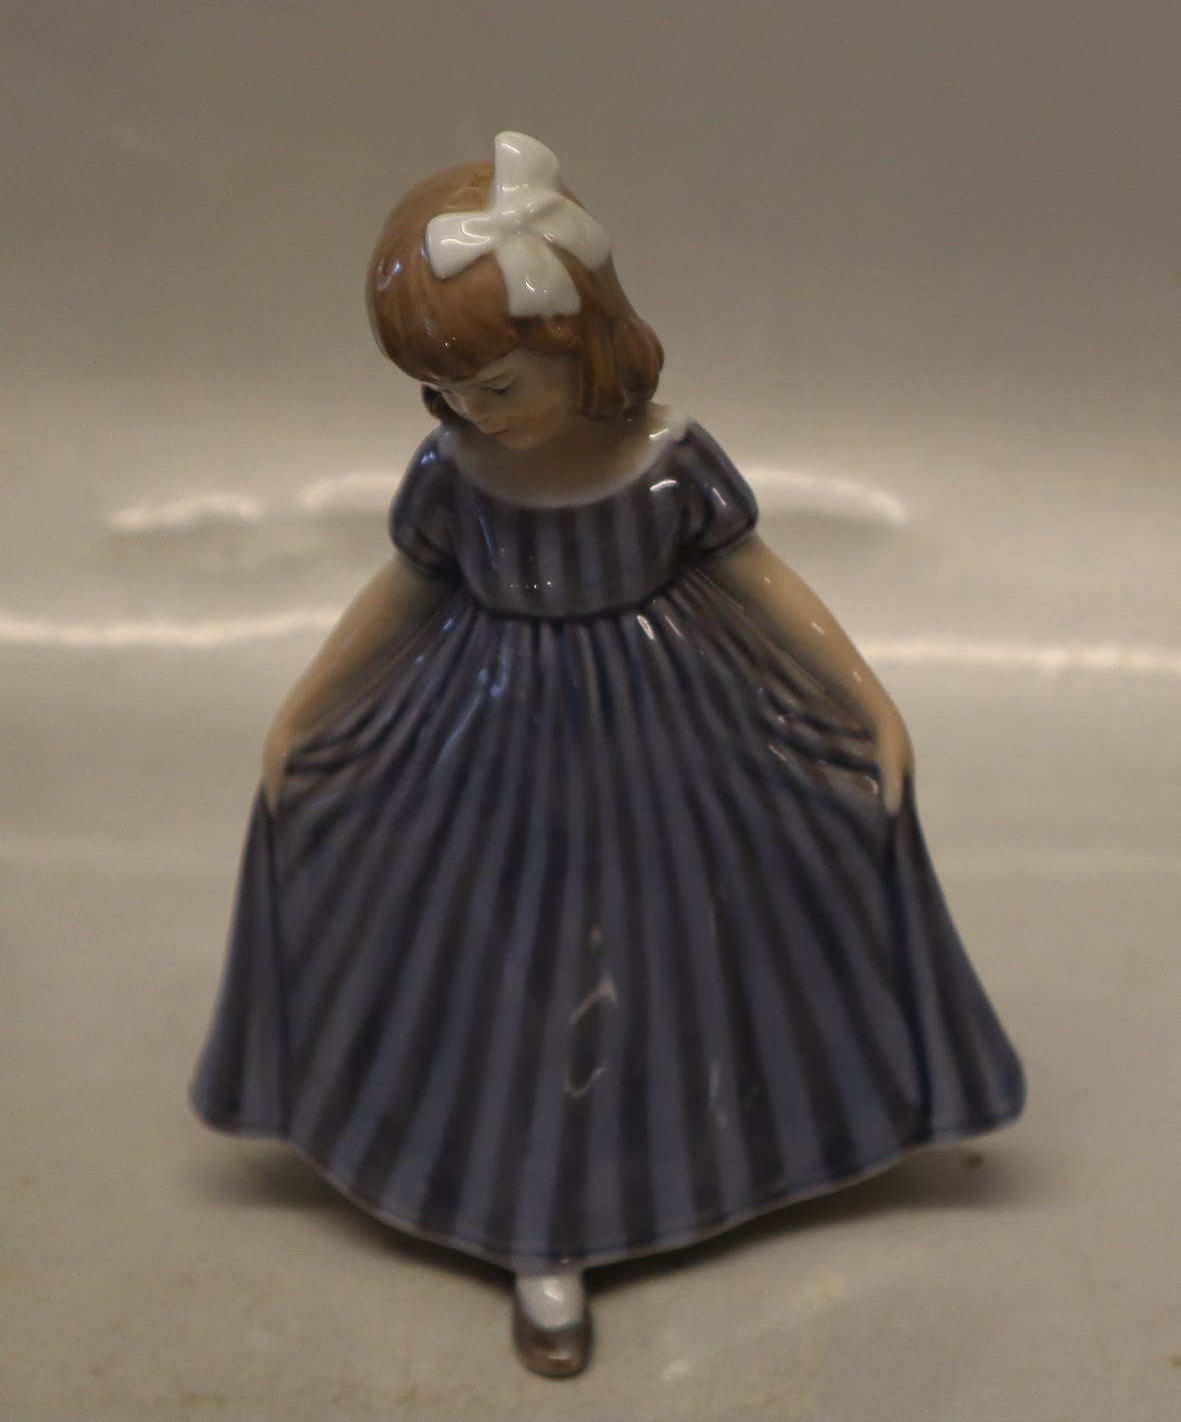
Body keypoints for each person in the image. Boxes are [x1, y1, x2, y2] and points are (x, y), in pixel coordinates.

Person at [193, 132, 1025, 1379]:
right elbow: (403, 592)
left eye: (495, 385)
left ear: (579, 342)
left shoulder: (665, 460)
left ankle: (695, 1160)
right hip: (484, 735)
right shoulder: (454, 469)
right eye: (444, 391)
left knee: (673, 944)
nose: (471, 412)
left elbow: (757, 580)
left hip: (667, 726)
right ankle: (533, 1217)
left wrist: (865, 699)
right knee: (507, 963)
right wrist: (306, 707)